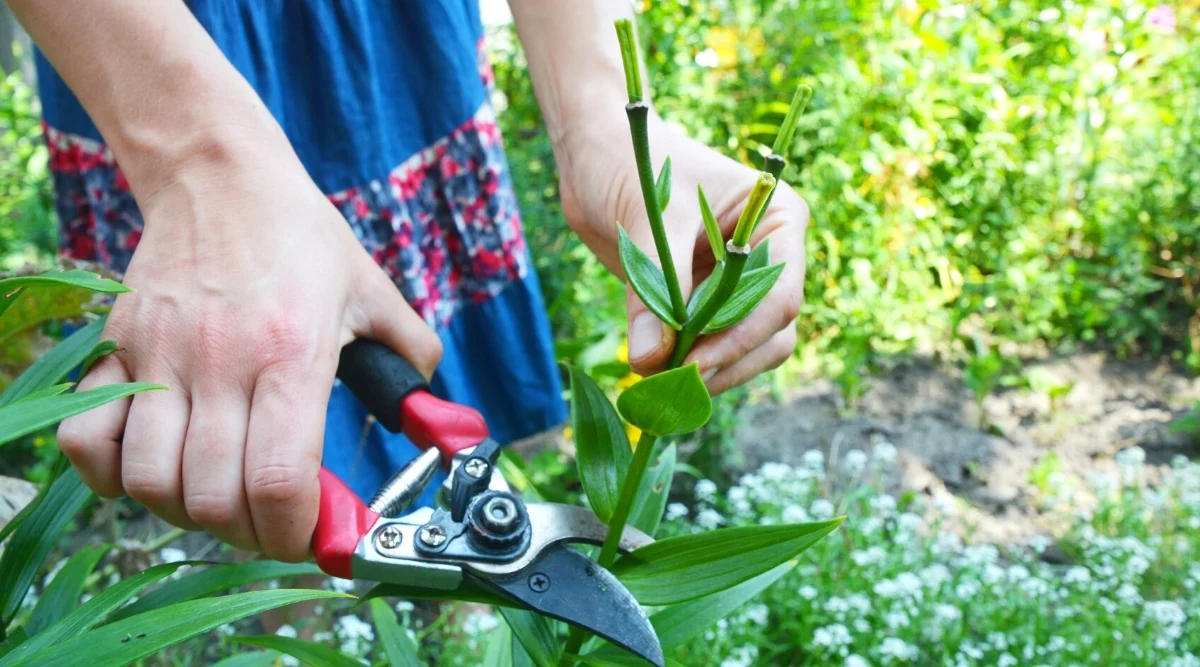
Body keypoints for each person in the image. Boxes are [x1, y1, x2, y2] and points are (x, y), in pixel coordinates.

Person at [8, 0, 809, 564]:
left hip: (390, 52)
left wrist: (596, 114)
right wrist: (196, 159)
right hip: (143, 52)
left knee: (343, 464)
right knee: (250, 456)